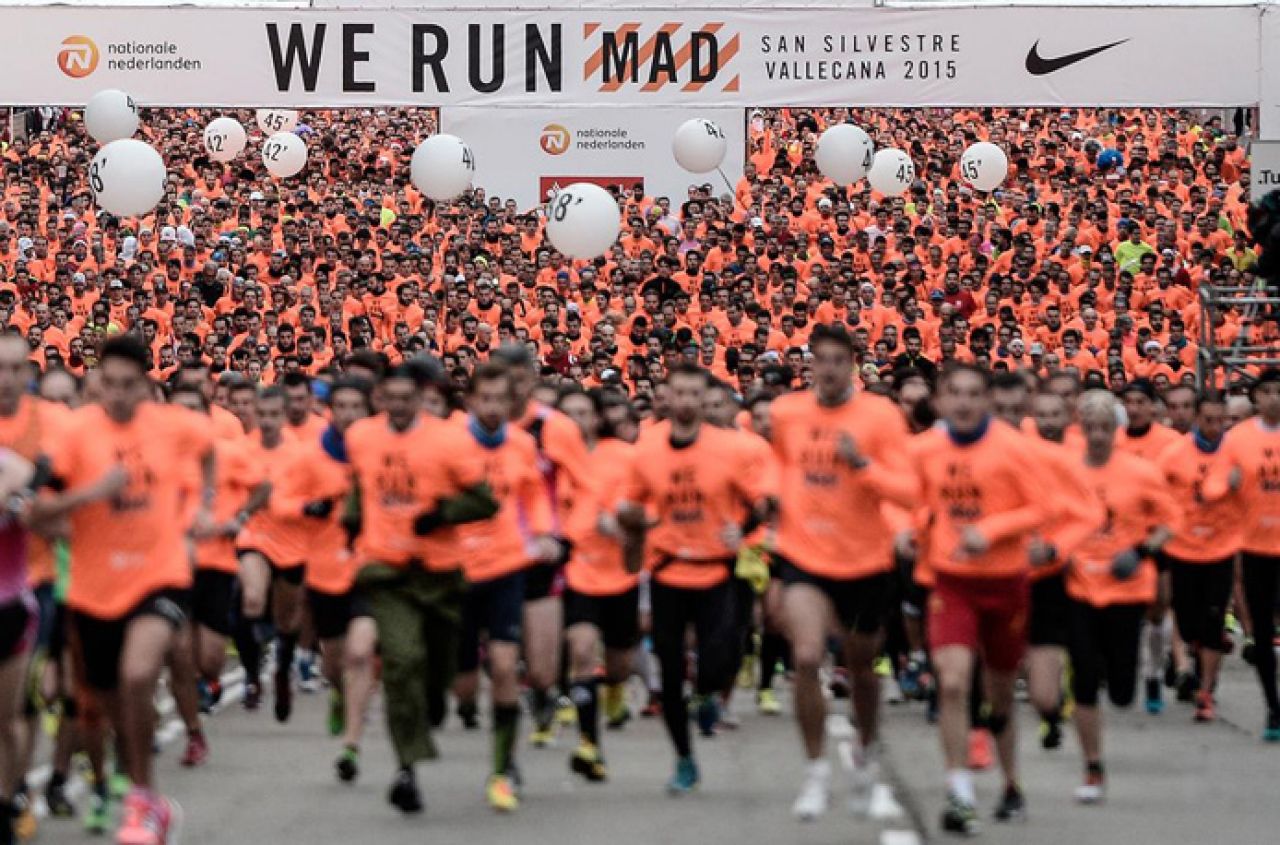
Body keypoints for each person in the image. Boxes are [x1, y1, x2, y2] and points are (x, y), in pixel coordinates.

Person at [36, 335, 216, 845]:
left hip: (159, 574)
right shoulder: (75, 433)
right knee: (110, 697)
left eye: (128, 385)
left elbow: (208, 455)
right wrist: (92, 495)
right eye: (108, 384)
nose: (117, 395)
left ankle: (140, 801)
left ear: (146, 384)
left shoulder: (176, 426)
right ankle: (148, 796)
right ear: (97, 383)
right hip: (94, 587)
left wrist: (203, 504)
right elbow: (39, 511)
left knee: (138, 674)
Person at [769, 324, 916, 820]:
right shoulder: (787, 413)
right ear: (810, 364)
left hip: (864, 559)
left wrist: (864, 466)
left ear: (852, 364)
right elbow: (776, 470)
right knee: (807, 657)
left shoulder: (881, 416)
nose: (828, 369)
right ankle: (815, 772)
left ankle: (868, 751)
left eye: (838, 360)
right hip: (803, 554)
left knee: (861, 669)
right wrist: (768, 512)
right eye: (821, 359)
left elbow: (907, 491)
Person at [344, 360, 498, 814]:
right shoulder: (363, 438)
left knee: (436, 671)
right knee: (401, 661)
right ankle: (406, 766)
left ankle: (432, 707)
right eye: (389, 398)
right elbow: (362, 488)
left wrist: (442, 514)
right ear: (380, 399)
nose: (397, 406)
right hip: (388, 571)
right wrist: (352, 522)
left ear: (421, 397)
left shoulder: (449, 440)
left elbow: (484, 500)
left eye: (406, 399)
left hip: (441, 573)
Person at [618, 363, 776, 794]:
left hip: (718, 569)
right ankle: (684, 759)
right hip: (668, 568)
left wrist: (741, 530)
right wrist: (631, 524)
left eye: (694, 394)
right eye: (679, 393)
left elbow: (764, 502)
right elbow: (631, 508)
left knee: (721, 655)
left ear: (703, 400)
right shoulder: (647, 450)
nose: (686, 402)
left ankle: (708, 696)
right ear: (666, 396)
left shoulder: (731, 449)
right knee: (670, 671)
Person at [907, 363, 1048, 835]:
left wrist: (990, 531)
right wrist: (907, 531)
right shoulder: (923, 450)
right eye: (954, 394)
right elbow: (902, 499)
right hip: (952, 580)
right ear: (940, 402)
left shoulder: (1014, 450)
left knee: (1001, 692)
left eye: (973, 393)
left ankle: (1011, 784)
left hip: (1006, 580)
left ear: (986, 400)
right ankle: (959, 789)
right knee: (951, 681)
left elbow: (1041, 507)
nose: (964, 402)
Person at [454, 362, 559, 811]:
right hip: (458, 569)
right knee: (462, 686)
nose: (494, 407)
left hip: (505, 565)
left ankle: (503, 767)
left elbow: (534, 496)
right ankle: (463, 702)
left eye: (502, 399)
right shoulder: (449, 443)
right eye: (486, 399)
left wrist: (543, 533)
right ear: (472, 401)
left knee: (503, 665)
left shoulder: (520, 444)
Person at [1067, 390, 1178, 803]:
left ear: (1116, 430)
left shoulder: (1140, 473)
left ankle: (1126, 680)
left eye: (1104, 428)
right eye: (1089, 427)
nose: (1097, 436)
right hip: (1079, 586)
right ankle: (1093, 765)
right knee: (1083, 677)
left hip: (1127, 589)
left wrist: (1142, 552)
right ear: (1080, 428)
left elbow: (1170, 522)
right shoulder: (1067, 471)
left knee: (1120, 690)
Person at [271, 377, 378, 782]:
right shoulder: (311, 458)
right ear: (330, 411)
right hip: (325, 572)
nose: (350, 415)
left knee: (360, 653)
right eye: (342, 407)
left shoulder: (380, 452)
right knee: (335, 664)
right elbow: (279, 501)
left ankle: (351, 744)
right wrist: (306, 506)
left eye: (358, 407)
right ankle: (338, 695)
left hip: (369, 567)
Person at [991, 375, 1101, 751]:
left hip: (1054, 569)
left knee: (1053, 656)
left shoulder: (1065, 458)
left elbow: (1088, 514)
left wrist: (1057, 548)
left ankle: (1054, 704)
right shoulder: (996, 452)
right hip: (1001, 568)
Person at [492, 344, 594, 745]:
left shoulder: (555, 428)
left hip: (541, 552)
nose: (513, 389)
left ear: (532, 379)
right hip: (491, 553)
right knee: (496, 661)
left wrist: (567, 536)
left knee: (542, 665)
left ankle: (542, 695)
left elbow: (588, 487)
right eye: (505, 380)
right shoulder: (479, 426)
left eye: (520, 379)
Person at [557, 387, 640, 783]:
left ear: (595, 419)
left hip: (619, 571)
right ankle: (590, 744)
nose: (575, 420)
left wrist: (621, 522)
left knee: (620, 664)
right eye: (567, 413)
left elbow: (642, 507)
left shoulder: (623, 456)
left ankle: (614, 691)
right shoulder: (553, 461)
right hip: (576, 572)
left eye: (582, 413)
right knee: (582, 649)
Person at [1203, 368, 1280, 740]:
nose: (1274, 399)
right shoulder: (1238, 439)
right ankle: (1272, 707)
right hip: (1254, 546)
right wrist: (1224, 486)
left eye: (1279, 392)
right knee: (1262, 631)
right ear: (1256, 398)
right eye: (1267, 392)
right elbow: (1214, 481)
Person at [1158, 391, 1244, 723]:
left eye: (1220, 420)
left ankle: (1206, 691)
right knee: (1189, 619)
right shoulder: (1174, 455)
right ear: (1196, 418)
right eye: (1207, 420)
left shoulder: (1236, 452)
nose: (1214, 427)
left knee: (1212, 623)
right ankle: (1190, 655)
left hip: (1221, 548)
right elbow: (1157, 493)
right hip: (1183, 548)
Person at [234, 387, 310, 722]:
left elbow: (313, 498)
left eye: (272, 415)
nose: (266, 422)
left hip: (292, 540)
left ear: (283, 415)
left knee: (287, 620)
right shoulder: (243, 449)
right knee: (251, 599)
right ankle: (252, 674)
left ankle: (282, 669)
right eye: (260, 415)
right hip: (255, 534)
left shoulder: (301, 454)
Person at [1118, 379, 1185, 714]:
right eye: (1128, 401)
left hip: (1158, 535)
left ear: (1154, 406)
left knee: (1158, 606)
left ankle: (1154, 673)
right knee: (1128, 612)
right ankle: (1129, 668)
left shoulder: (1171, 442)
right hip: (1121, 537)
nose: (1134, 408)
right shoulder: (1113, 441)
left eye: (1141, 401)